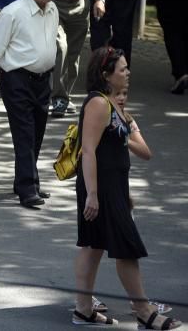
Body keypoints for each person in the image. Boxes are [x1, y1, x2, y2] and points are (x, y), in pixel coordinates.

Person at [72, 47, 180, 329]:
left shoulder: (113, 105)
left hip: (112, 186)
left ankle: (83, 309)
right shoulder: (98, 104)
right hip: (101, 188)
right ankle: (144, 311)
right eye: (122, 69)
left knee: (93, 245)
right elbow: (89, 150)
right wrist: (93, 194)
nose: (128, 73)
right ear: (106, 75)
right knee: (126, 247)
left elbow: (134, 151)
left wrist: (124, 192)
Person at [0, 0, 61, 207]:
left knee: (37, 132)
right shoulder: (12, 13)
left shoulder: (52, 9)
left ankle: (26, 181)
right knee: (25, 133)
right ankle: (28, 188)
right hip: (17, 80)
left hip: (42, 80)